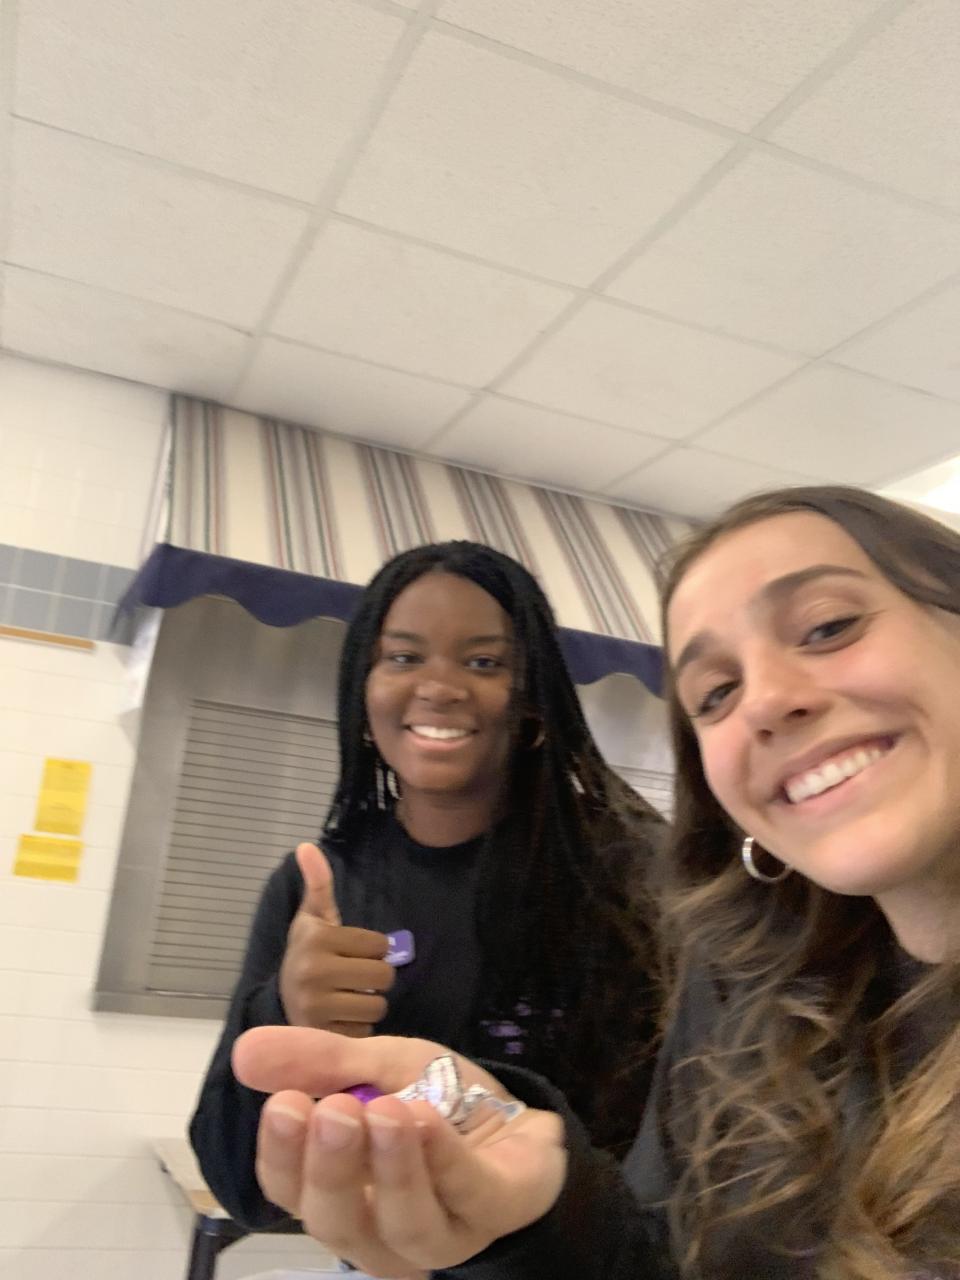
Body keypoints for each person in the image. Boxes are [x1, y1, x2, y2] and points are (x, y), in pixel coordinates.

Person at [234, 486, 960, 1280]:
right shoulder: (749, 981)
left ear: (537, 698)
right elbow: (662, 1246)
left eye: (828, 627)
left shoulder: (635, 879)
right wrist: (538, 1215)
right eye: (716, 694)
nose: (767, 702)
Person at [190, 539, 664, 1230]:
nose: (439, 687)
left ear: (533, 700)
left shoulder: (633, 874)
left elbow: (682, 1146)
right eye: (404, 657)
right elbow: (241, 1185)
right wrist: (284, 1010)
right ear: (363, 690)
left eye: (484, 662)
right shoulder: (318, 886)